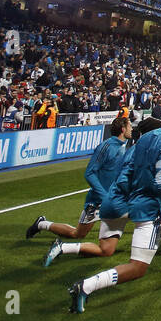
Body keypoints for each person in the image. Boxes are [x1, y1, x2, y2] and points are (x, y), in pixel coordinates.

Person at [67, 105, 161, 314]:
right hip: (146, 203)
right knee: (138, 267)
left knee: (106, 248)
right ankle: (86, 286)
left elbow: (126, 166)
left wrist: (118, 194)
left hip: (118, 199)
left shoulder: (146, 137)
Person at [27, 113, 132, 264]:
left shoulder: (124, 146)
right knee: (77, 233)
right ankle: (42, 224)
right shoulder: (106, 146)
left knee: (104, 244)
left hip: (113, 201)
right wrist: (104, 196)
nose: (131, 129)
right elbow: (90, 173)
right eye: (129, 126)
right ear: (122, 129)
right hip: (97, 202)